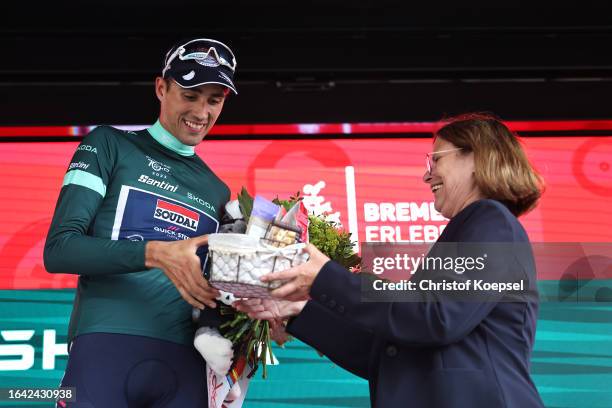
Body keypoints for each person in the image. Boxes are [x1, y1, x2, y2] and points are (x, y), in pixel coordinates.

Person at [237, 113, 546, 407]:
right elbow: (389, 354)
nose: (427, 174)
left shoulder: (490, 219)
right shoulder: (472, 228)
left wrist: (325, 276)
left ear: (476, 157)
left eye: (437, 158)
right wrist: (296, 312)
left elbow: (435, 316)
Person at [44, 37, 238, 407]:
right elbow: (60, 250)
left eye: (214, 100)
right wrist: (155, 253)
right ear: (161, 87)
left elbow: (219, 293)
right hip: (105, 348)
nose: (201, 111)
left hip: (186, 368)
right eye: (191, 94)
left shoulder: (219, 191)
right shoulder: (108, 145)